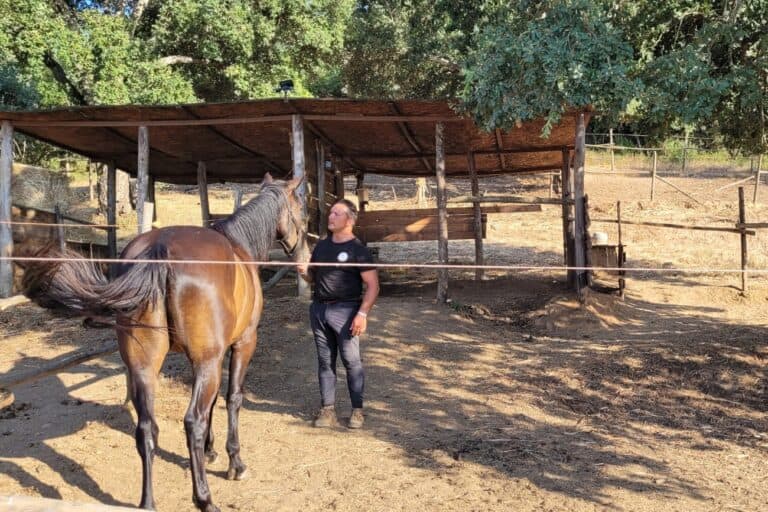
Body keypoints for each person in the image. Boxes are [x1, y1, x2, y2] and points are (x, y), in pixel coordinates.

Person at [298, 199, 379, 429]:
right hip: (319, 310)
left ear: (349, 220)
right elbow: (313, 278)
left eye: (336, 213)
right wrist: (305, 273)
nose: (330, 217)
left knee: (351, 361)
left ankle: (357, 411)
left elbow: (373, 286)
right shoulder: (322, 246)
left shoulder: (358, 250)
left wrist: (362, 314)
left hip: (346, 310)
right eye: (330, 212)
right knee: (325, 361)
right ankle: (328, 410)